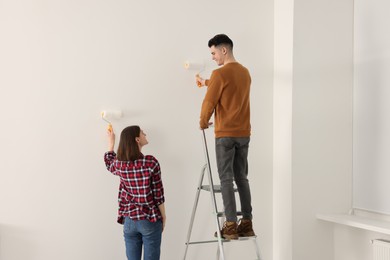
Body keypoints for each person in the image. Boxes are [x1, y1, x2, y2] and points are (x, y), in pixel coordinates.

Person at [196, 34, 255, 240]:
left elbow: (209, 102)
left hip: (225, 136)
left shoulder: (220, 74)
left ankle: (230, 225)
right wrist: (205, 82)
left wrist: (203, 121)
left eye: (213, 53)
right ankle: (246, 223)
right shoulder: (245, 73)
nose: (213, 57)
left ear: (224, 50)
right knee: (242, 178)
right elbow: (229, 85)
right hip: (243, 133)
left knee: (226, 179)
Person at [104, 125, 166, 260]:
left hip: (129, 221)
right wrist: (163, 216)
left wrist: (111, 143)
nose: (145, 134)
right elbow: (158, 194)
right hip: (149, 219)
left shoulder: (120, 165)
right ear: (137, 139)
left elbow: (109, 163)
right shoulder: (150, 163)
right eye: (143, 133)